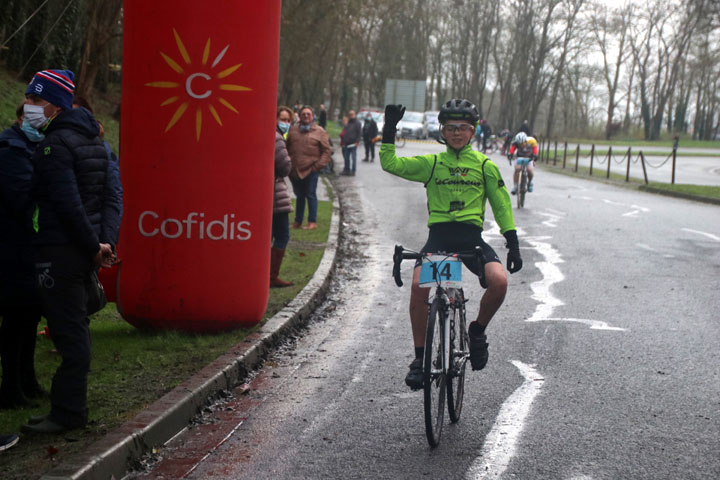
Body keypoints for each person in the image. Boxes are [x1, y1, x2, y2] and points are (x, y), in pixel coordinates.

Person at [380, 99, 522, 389]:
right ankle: (420, 358)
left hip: (471, 240)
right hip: (440, 240)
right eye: (450, 128)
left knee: (499, 283)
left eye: (463, 128)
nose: (456, 133)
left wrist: (512, 241)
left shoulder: (484, 166)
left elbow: (502, 205)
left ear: (473, 131)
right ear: (442, 132)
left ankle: (477, 332)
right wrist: (389, 130)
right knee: (419, 286)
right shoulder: (432, 164)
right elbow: (389, 163)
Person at [20, 69, 119, 434]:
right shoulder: (95, 141)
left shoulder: (54, 145)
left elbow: (66, 203)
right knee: (76, 328)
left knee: (68, 331)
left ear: (56, 105)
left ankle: (67, 413)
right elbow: (111, 198)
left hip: (61, 250)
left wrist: (94, 247)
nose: (28, 106)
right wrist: (105, 243)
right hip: (86, 249)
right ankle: (68, 407)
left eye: (35, 100)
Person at [0, 103, 45, 409]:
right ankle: (11, 388)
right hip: (10, 248)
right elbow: (23, 199)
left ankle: (27, 381)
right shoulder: (11, 150)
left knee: (29, 317)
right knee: (15, 319)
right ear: (19, 120)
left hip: (26, 248)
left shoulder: (31, 148)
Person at [285, 105, 332, 230]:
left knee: (310, 194)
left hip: (311, 169)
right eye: (303, 114)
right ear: (299, 116)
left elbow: (327, 151)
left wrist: (317, 166)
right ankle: (298, 221)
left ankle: (312, 221)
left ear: (313, 116)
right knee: (299, 195)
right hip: (295, 170)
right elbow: (286, 147)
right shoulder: (293, 130)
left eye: (308, 114)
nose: (306, 116)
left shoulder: (320, 131)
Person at [271, 106, 294, 288]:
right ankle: (272, 276)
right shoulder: (277, 137)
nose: (285, 123)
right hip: (275, 193)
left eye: (288, 120)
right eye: (283, 119)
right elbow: (285, 166)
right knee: (282, 235)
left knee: (270, 236)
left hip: (270, 191)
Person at [340, 110, 361, 175]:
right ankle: (347, 170)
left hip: (353, 143)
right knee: (346, 158)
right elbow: (345, 131)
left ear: (355, 114)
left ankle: (353, 171)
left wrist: (357, 141)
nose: (351, 116)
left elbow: (359, 133)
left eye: (352, 114)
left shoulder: (357, 123)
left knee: (353, 158)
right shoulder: (348, 122)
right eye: (350, 114)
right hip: (346, 143)